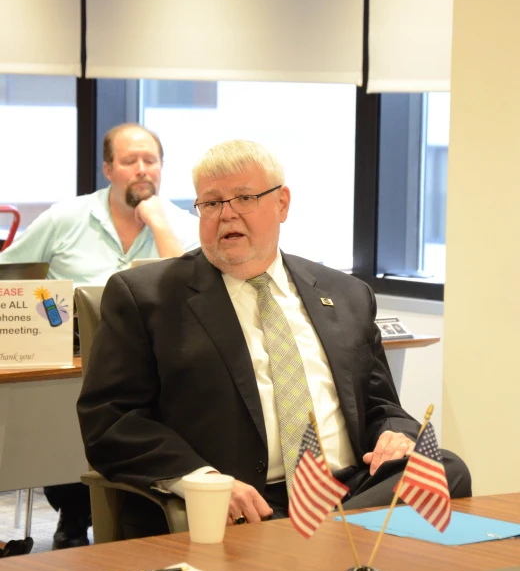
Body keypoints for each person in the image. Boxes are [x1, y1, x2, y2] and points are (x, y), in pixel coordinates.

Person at [77, 139, 471, 539]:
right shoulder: (147, 297)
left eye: (243, 198)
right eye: (211, 203)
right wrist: (204, 479)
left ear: (282, 204)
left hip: (349, 489)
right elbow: (110, 421)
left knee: (444, 468)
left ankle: (317, 536)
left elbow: (380, 405)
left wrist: (395, 435)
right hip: (248, 501)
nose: (226, 214)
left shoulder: (347, 293)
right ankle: (325, 540)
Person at [0, 123, 200, 548]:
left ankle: (117, 514)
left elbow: (190, 295)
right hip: (66, 364)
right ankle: (74, 515)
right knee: (64, 423)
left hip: (151, 368)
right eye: (130, 162)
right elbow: (10, 278)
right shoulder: (65, 219)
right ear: (109, 168)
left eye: (152, 161)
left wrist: (159, 225)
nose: (143, 170)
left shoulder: (179, 225)